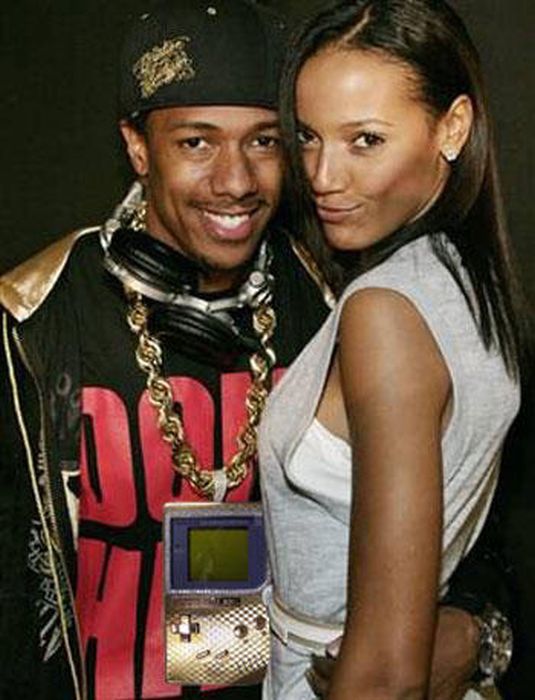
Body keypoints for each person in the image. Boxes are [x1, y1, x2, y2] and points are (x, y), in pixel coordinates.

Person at [0, 0, 519, 699]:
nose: (236, 181)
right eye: (197, 143)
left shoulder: (336, 297)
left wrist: (470, 625)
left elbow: (470, 512)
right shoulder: (33, 328)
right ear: (137, 147)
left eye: (267, 142)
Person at [258, 1, 530, 699]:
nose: (322, 175)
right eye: (308, 137)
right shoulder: (463, 278)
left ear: (452, 128)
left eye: (366, 140)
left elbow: (385, 677)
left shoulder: (385, 312)